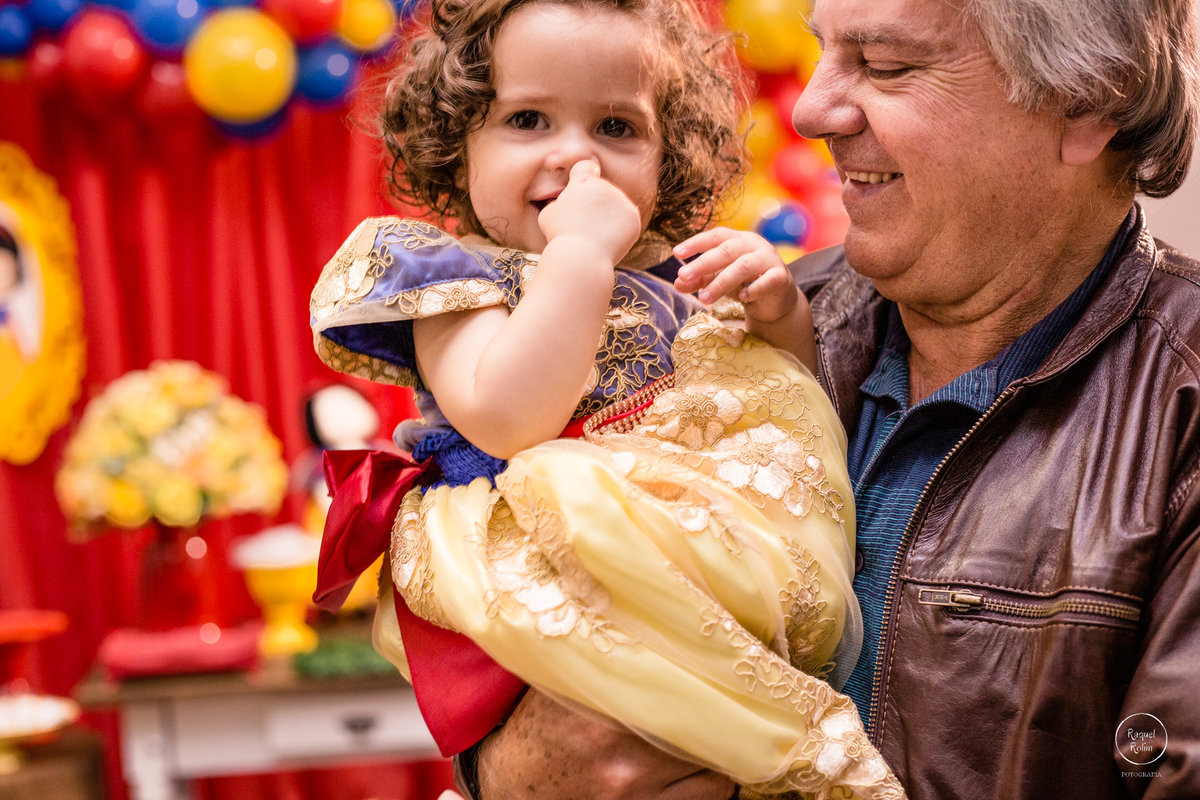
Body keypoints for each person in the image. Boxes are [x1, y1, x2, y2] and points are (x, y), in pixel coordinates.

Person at [471, 0, 1200, 796]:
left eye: (885, 66)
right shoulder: (736, 324)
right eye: (821, 51)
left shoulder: (1181, 407)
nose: (811, 110)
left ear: (1088, 101)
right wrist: (500, 771)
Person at [308, 0, 904, 797]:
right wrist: (581, 254)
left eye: (616, 128)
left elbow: (784, 415)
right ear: (459, 144)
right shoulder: (454, 277)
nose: (576, 159)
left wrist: (777, 315)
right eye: (527, 120)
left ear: (668, 157)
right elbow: (509, 418)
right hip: (549, 556)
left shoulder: (675, 276)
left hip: (692, 569)